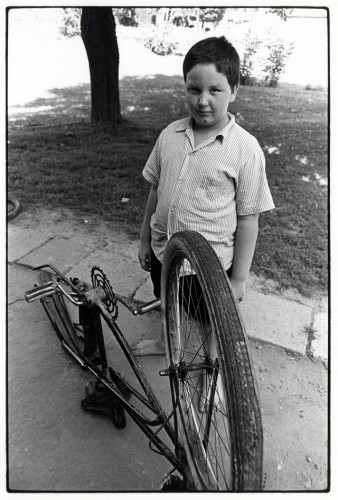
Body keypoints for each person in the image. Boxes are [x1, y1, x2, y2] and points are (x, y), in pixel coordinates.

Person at [133, 36, 275, 356]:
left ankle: (213, 364)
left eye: (215, 90)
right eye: (194, 90)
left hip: (207, 266)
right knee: (167, 301)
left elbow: (248, 219)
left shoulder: (245, 149)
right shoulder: (169, 135)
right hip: (163, 251)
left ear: (234, 91)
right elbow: (155, 190)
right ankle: (166, 342)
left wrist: (238, 280)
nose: (202, 101)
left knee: (212, 319)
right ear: (185, 87)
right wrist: (144, 240)